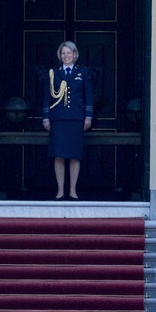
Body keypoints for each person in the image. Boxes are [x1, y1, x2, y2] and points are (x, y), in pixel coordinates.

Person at [41, 40, 93, 200]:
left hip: (76, 118)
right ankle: (60, 190)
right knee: (59, 155)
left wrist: (88, 116)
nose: (66, 56)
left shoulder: (82, 73)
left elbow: (88, 96)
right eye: (63, 53)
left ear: (74, 54)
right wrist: (46, 117)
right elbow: (47, 96)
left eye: (69, 53)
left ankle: (72, 190)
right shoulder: (53, 73)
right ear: (60, 55)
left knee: (75, 155)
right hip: (58, 119)